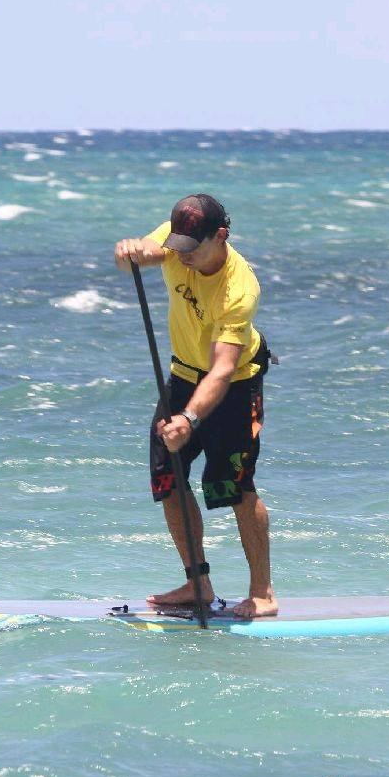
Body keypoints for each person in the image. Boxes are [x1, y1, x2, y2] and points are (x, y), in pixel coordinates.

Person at [113, 194, 277, 619]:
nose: (180, 257)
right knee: (168, 477)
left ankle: (263, 592)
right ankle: (198, 582)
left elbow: (222, 369)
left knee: (233, 488)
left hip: (234, 386)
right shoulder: (177, 242)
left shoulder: (239, 290)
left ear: (220, 236)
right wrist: (131, 250)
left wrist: (189, 418)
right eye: (177, 246)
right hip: (183, 375)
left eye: (192, 249)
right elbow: (150, 252)